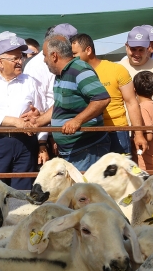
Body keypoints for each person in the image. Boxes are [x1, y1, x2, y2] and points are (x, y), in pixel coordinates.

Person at [0, 36, 44, 190]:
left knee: (22, 192)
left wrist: (36, 115)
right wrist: (16, 122)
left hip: (25, 144)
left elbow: (40, 111)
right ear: (0, 63)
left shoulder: (30, 81)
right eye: (15, 58)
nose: (20, 61)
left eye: (21, 57)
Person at [42, 35, 111, 171]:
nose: (44, 60)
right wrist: (37, 121)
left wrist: (77, 120)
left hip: (87, 150)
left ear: (54, 56)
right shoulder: (61, 75)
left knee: (85, 191)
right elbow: (59, 105)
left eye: (45, 55)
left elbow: (102, 98)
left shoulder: (79, 70)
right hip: (73, 152)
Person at [70, 33, 147, 155]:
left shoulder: (116, 70)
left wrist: (139, 134)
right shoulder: (74, 74)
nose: (72, 58)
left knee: (121, 173)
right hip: (89, 133)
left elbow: (132, 103)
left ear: (88, 50)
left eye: (75, 54)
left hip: (117, 132)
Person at [25, 24, 77, 159]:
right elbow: (38, 103)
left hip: (72, 131)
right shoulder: (37, 65)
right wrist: (45, 139)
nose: (69, 47)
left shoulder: (75, 64)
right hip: (48, 133)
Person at [119, 26, 153, 111]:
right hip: (125, 123)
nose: (137, 54)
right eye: (133, 49)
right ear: (126, 46)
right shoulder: (118, 68)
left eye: (141, 50)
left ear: (147, 48)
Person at [131, 71, 153, 170]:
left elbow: (148, 136)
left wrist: (132, 138)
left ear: (134, 89)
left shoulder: (143, 108)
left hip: (145, 161)